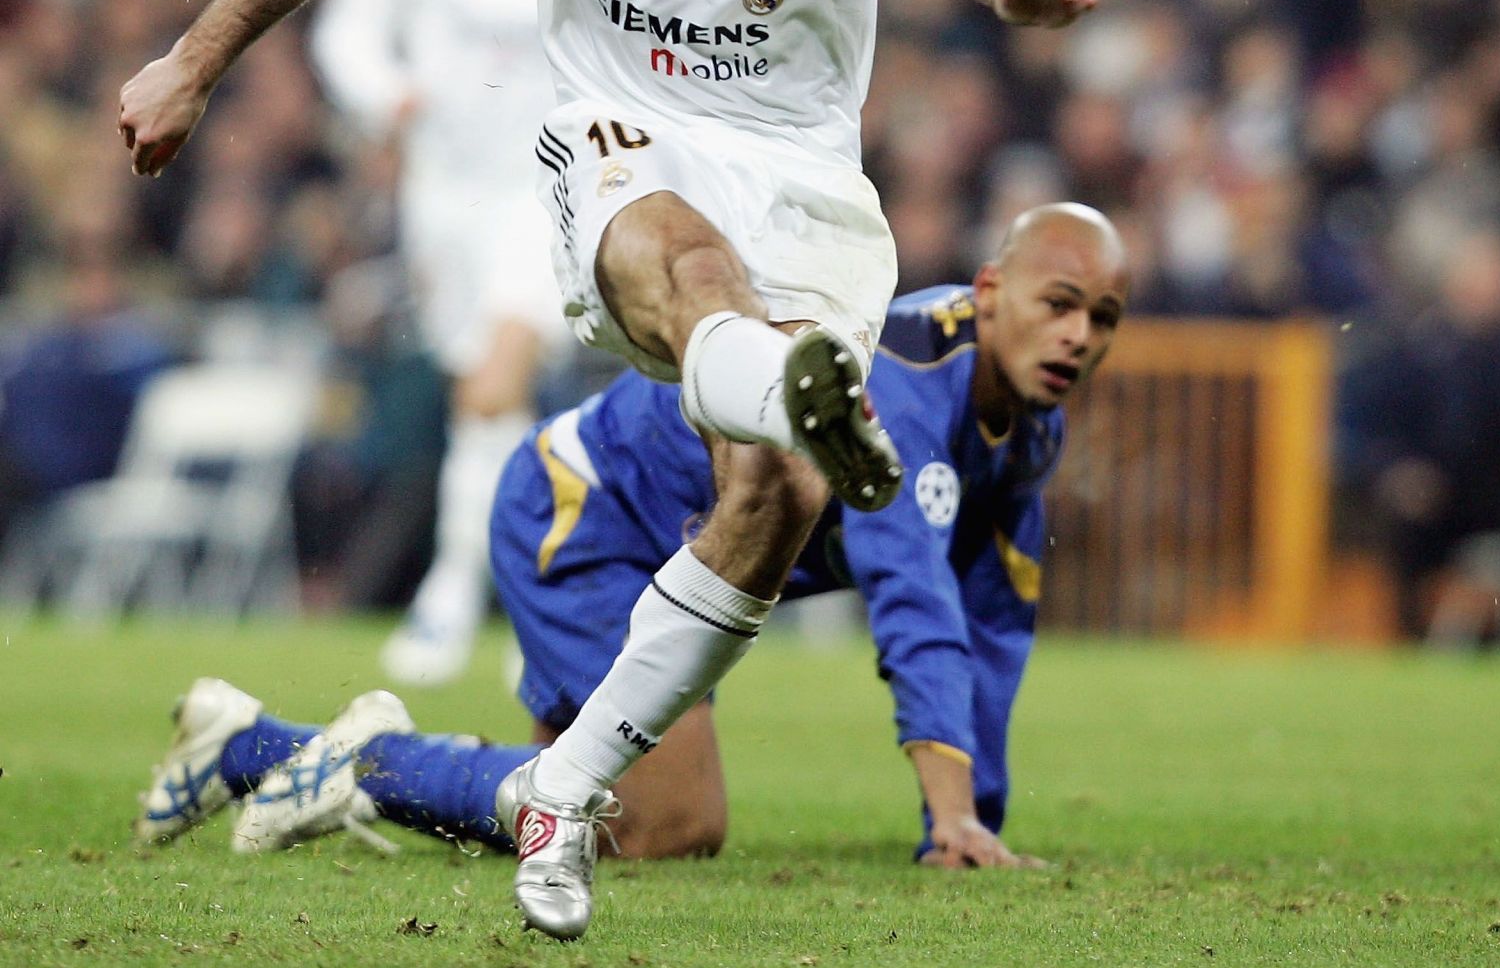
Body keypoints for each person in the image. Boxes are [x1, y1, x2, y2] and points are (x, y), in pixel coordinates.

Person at [116, 0, 1098, 938]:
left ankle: (562, 790)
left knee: (783, 496)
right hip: (629, 152)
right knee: (690, 270)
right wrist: (194, 64)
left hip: (808, 201)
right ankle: (786, 392)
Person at [136, 206, 1130, 905]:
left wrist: (964, 822)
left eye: (1104, 320)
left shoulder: (1028, 425)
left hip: (678, 555)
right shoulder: (909, 378)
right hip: (589, 517)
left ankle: (250, 748)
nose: (1079, 337)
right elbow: (916, 604)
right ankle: (329, 760)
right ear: (992, 290)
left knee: (584, 806)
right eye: (1060, 303)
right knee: (664, 828)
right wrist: (951, 815)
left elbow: (992, 625)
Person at [309, 0, 568, 686]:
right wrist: (386, 95)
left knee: (497, 381)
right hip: (442, 198)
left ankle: (453, 590)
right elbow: (344, 29)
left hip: (544, 190)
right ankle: (524, 603)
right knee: (479, 398)